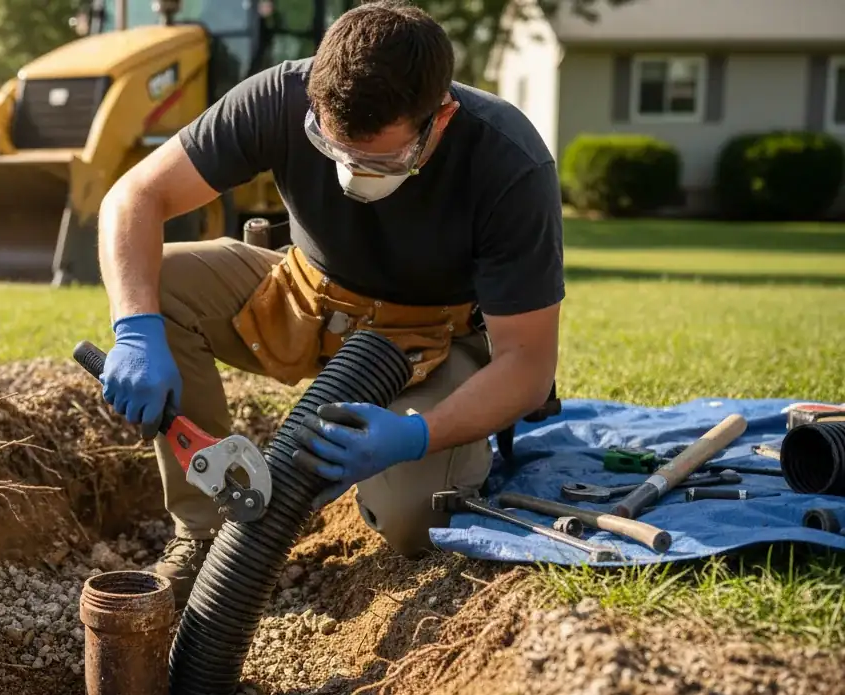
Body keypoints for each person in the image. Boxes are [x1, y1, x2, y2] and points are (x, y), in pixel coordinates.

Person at [93, 0, 564, 608]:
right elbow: (134, 197)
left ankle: (419, 474)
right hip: (307, 298)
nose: (350, 176)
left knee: (412, 520)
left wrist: (415, 437)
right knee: (162, 285)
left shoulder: (508, 164)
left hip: (432, 341)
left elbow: (527, 364)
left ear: (439, 118)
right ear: (314, 104)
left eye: (381, 160)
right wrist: (135, 328)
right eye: (332, 148)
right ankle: (205, 534)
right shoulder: (282, 96)